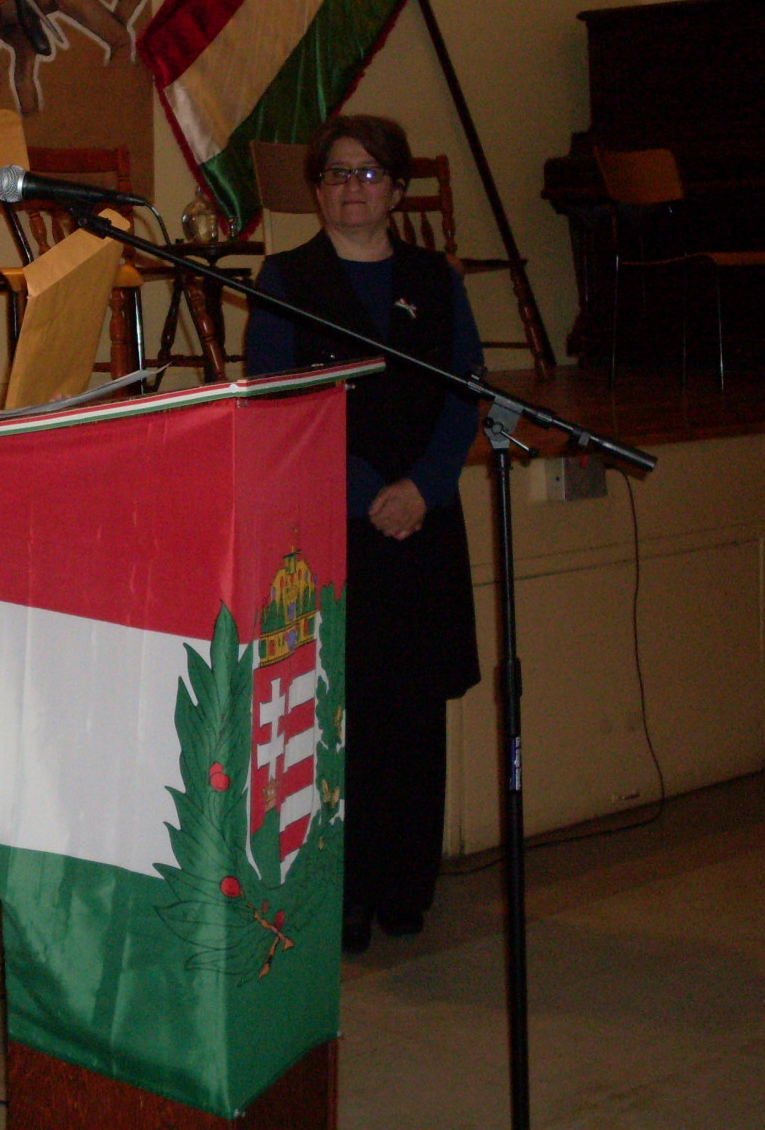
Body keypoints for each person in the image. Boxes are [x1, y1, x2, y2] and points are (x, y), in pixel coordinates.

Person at [244, 115, 484, 953]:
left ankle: (405, 886)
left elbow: (464, 391)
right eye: (337, 173)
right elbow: (276, 402)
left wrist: (424, 487)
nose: (353, 187)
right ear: (318, 190)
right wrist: (369, 493)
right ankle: (342, 895)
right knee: (338, 715)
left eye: (370, 173)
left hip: (423, 521)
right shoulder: (286, 278)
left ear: (398, 189)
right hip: (332, 528)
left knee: (413, 713)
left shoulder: (434, 278)